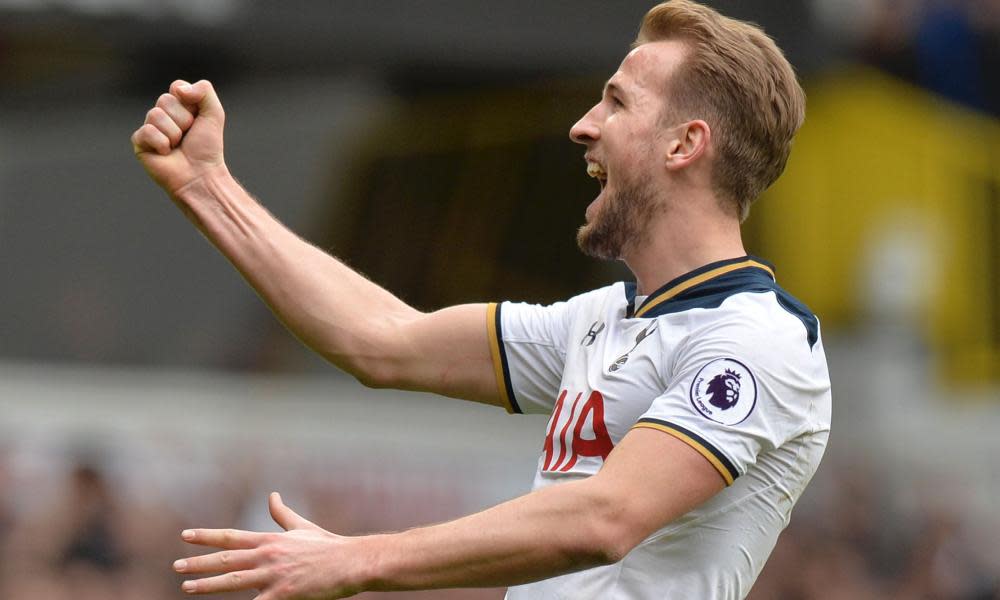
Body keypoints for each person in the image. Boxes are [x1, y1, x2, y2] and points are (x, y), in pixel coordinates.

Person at [131, 1, 831, 598]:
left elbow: (606, 519)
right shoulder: (599, 322)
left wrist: (356, 559)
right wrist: (207, 187)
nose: (583, 125)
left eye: (617, 101)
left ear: (685, 143)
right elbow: (382, 342)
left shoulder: (756, 341)